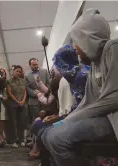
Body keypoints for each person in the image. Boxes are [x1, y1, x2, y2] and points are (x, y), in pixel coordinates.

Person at [42, 9, 118, 166]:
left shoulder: (112, 48)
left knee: (56, 138)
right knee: (46, 134)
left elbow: (113, 97)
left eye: (77, 41)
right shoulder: (93, 64)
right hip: (103, 118)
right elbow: (87, 102)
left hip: (113, 120)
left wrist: (69, 120)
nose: (75, 49)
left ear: (88, 38)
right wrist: (64, 119)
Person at [6, 65, 27, 148]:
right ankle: (13, 140)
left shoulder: (23, 81)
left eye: (20, 71)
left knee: (22, 122)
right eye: (17, 71)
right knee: (13, 122)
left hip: (22, 104)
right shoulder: (9, 81)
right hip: (12, 104)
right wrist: (17, 101)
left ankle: (21, 139)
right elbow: (9, 93)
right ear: (13, 71)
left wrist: (22, 101)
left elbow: (25, 92)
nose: (18, 73)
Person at [25, 58, 49, 127]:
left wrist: (46, 92)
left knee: (46, 119)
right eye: (33, 65)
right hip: (34, 101)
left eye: (36, 64)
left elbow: (48, 83)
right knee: (36, 120)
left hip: (46, 99)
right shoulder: (26, 75)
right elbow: (27, 88)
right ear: (30, 65)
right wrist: (36, 93)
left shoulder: (44, 71)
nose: (36, 66)